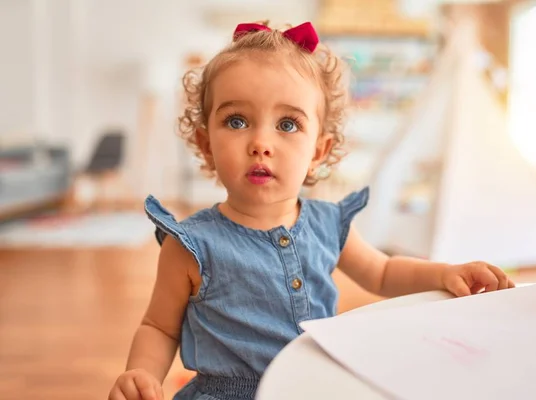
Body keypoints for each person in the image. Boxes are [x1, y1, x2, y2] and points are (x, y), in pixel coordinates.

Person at [108, 21, 515, 400]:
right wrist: (141, 374)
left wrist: (445, 273)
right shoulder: (191, 246)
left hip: (313, 386)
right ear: (205, 142)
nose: (260, 143)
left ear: (318, 150)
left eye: (287, 125)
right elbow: (159, 327)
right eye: (236, 121)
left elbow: (383, 272)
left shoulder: (326, 223)